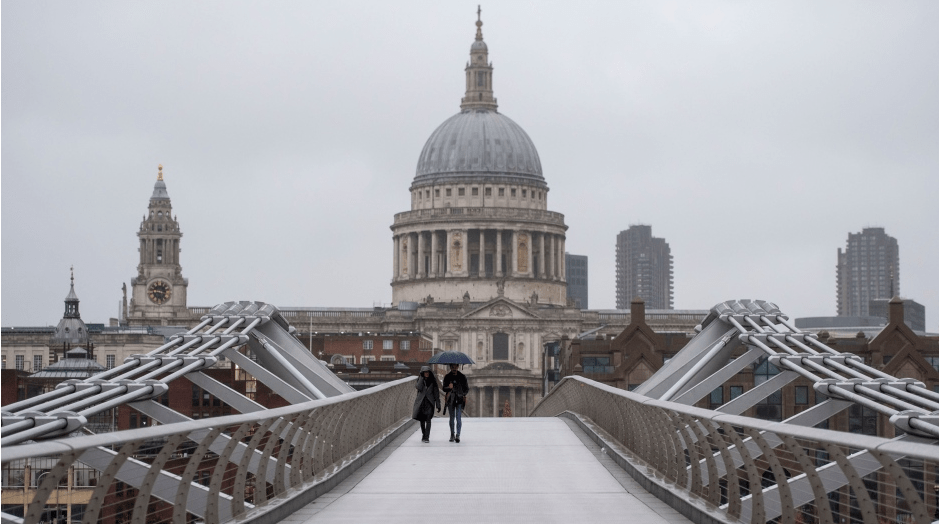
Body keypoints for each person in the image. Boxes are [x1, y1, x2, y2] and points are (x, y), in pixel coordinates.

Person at [412, 366, 440, 443]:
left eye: (427, 372)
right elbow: (418, 387)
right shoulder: (420, 380)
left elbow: (436, 393)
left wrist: (438, 404)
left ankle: (427, 437)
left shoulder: (433, 381)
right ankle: (424, 434)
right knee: (422, 420)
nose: (426, 373)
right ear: (422, 373)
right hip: (421, 402)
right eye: (425, 372)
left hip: (429, 402)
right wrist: (421, 377)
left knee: (428, 420)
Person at [442, 363, 468, 443]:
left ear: (458, 367)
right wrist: (448, 388)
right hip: (451, 400)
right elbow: (443, 388)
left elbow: (466, 389)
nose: (454, 368)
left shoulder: (462, 377)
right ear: (450, 367)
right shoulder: (447, 377)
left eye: (455, 367)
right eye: (452, 367)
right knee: (452, 418)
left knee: (458, 417)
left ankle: (458, 435)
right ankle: (452, 434)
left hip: (459, 400)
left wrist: (463, 394)